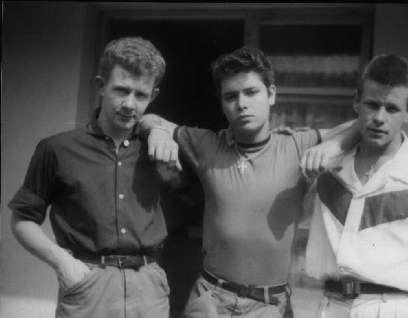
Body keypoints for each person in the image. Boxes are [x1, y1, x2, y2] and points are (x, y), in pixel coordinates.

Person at [140, 46, 357, 318]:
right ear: (221, 102)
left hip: (268, 305)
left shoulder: (297, 145)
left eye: (251, 92)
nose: (241, 103)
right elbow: (147, 117)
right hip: (210, 299)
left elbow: (363, 124)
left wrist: (333, 144)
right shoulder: (207, 144)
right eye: (231, 96)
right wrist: (159, 133)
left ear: (272, 94)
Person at [8, 37, 182, 318]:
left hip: (148, 287)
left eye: (141, 95)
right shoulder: (57, 149)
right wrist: (62, 262)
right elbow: (22, 220)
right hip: (88, 283)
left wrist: (161, 130)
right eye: (121, 90)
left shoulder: (157, 149)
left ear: (154, 95)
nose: (129, 104)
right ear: (101, 86)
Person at [302, 54, 408, 318]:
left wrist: (400, 299)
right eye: (372, 104)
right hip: (331, 305)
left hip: (391, 307)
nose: (379, 118)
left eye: (392, 109)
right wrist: (335, 144)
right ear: (356, 101)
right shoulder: (328, 169)